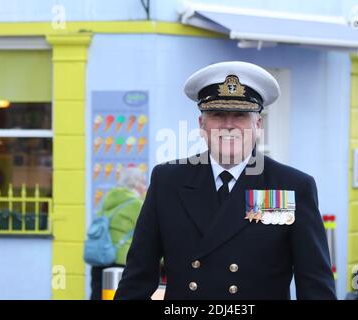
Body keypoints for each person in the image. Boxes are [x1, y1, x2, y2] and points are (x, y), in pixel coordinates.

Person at [115, 61, 336, 300]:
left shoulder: (290, 187)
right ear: (202, 124)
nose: (229, 126)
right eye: (217, 115)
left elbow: (315, 287)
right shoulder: (168, 181)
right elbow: (137, 278)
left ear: (258, 125)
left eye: (240, 116)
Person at [89, 167, 145, 300]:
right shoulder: (137, 204)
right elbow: (147, 236)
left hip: (100, 258)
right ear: (136, 184)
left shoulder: (109, 198)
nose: (145, 187)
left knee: (98, 295)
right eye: (143, 183)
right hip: (121, 262)